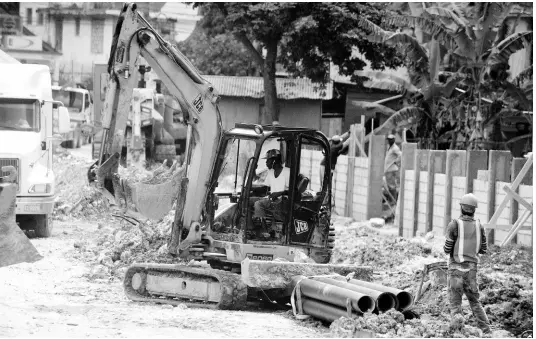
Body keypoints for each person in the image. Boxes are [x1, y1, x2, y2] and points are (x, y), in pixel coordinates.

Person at [443, 193, 491, 334]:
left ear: (461, 208)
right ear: (474, 210)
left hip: (456, 270)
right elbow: (483, 249)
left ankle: (458, 332)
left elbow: (447, 249)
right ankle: (487, 331)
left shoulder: (454, 224)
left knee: (455, 303)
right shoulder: (480, 226)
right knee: (475, 302)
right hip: (471, 270)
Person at [252, 149, 290, 235]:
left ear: (274, 160)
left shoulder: (287, 172)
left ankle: (264, 230)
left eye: (267, 160)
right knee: (248, 200)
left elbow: (292, 191)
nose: (266, 163)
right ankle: (251, 228)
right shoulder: (271, 172)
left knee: (258, 204)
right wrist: (251, 189)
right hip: (271, 199)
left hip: (281, 201)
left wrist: (280, 193)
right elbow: (265, 188)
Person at [384, 134, 401, 203]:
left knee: (391, 186)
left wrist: (396, 162)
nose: (389, 141)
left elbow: (401, 155)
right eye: (388, 139)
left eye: (391, 139)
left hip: (391, 169)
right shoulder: (390, 147)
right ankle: (392, 200)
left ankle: (393, 201)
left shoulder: (395, 148)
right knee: (390, 185)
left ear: (393, 140)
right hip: (389, 169)